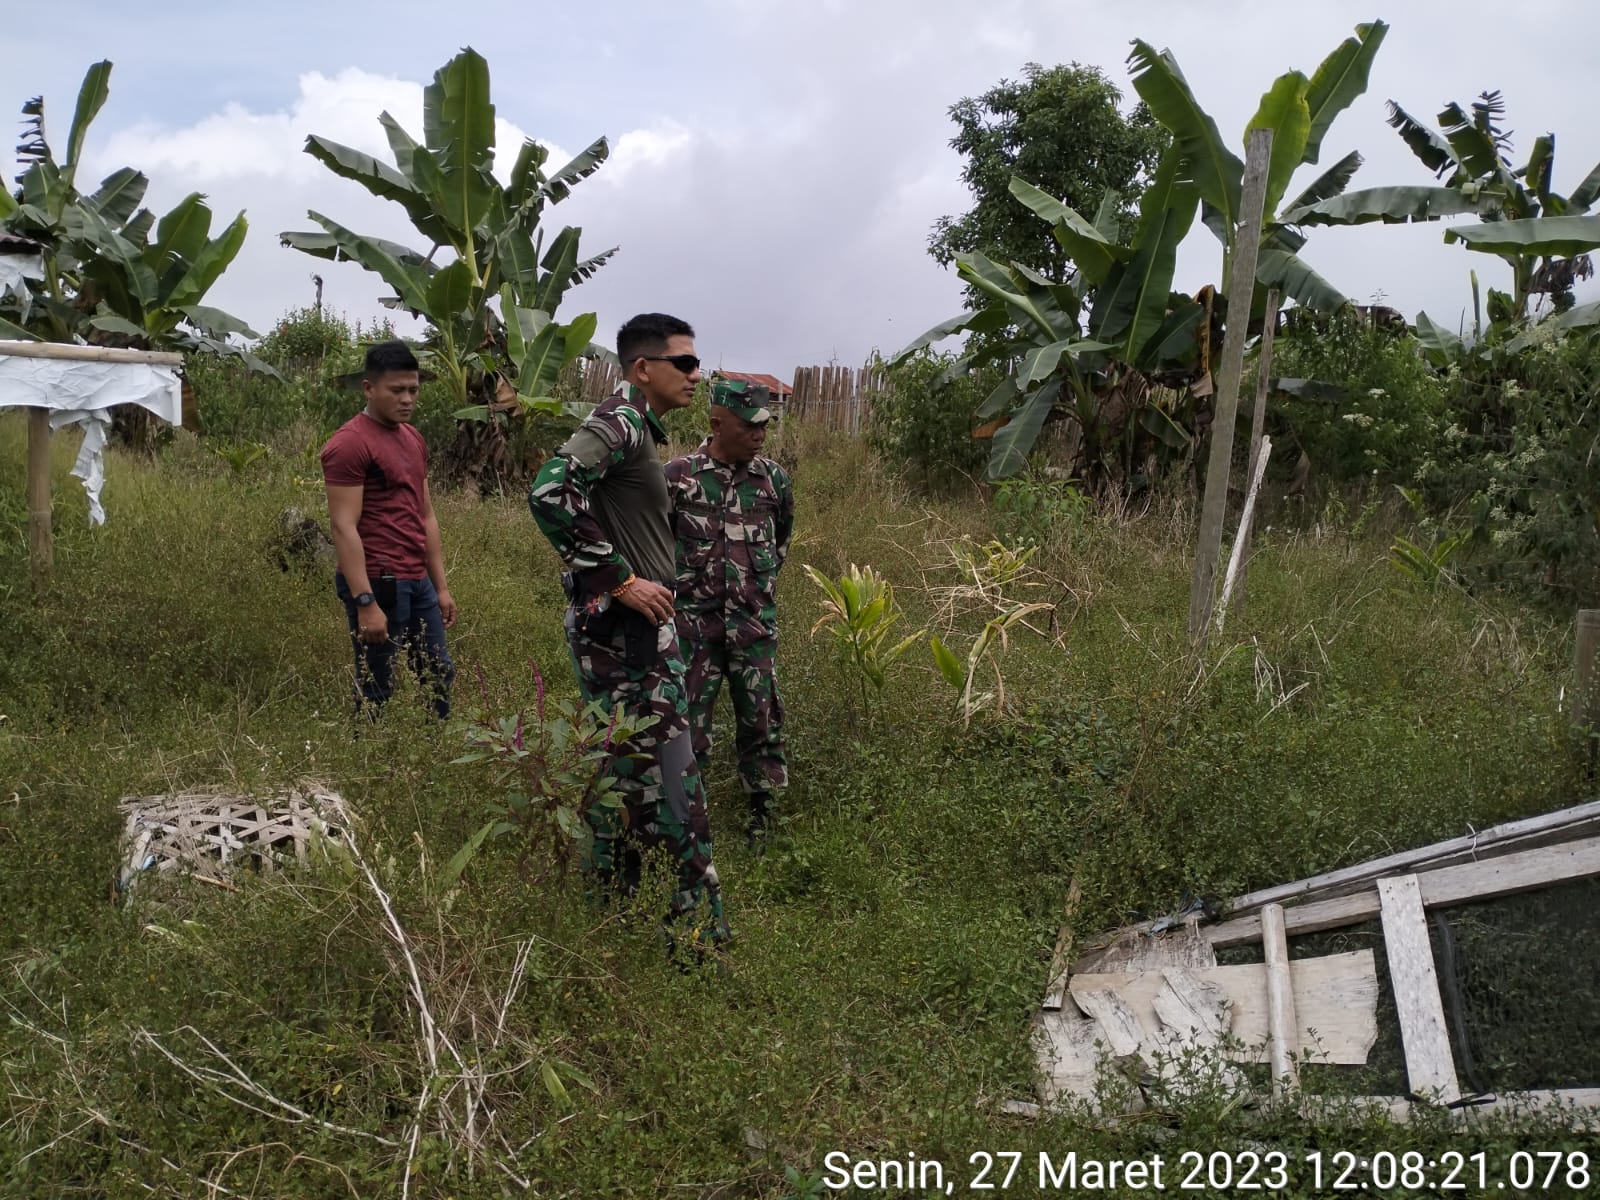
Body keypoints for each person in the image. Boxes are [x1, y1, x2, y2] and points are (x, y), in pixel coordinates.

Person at [527, 313, 728, 952]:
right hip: (624, 635)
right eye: (685, 363)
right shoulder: (620, 422)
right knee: (673, 780)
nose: (698, 374)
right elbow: (550, 491)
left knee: (624, 772)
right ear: (644, 368)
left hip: (635, 635)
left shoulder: (638, 429)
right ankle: (694, 939)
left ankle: (610, 915)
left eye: (698, 362)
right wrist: (620, 579)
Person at [665, 380, 794, 847]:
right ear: (717, 424)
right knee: (687, 724)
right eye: (749, 425)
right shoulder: (679, 478)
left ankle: (763, 815)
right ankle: (685, 821)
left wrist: (752, 593)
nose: (760, 434)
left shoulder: (773, 480)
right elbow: (658, 548)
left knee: (761, 720)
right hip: (692, 627)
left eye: (765, 425)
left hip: (753, 625)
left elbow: (780, 543)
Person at [321, 341, 458, 719]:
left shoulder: (413, 438)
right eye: (396, 391)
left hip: (417, 580)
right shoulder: (349, 444)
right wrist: (365, 603)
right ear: (369, 388)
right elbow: (343, 526)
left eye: (413, 390)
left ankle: (434, 754)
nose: (408, 400)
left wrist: (441, 587)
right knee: (377, 683)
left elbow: (425, 514)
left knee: (438, 673)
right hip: (380, 581)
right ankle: (366, 763)